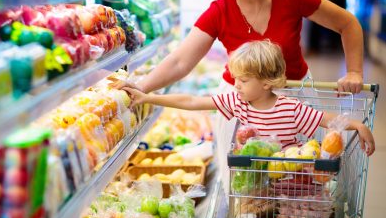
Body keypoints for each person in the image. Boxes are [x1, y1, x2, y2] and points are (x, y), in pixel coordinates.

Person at [114, 0, 365, 197]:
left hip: (293, 100)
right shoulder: (220, 10)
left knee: (298, 181)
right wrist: (140, 86)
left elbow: (347, 23)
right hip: (241, 104)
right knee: (245, 187)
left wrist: (353, 71)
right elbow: (179, 62)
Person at [121, 40, 375, 157]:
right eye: (236, 79)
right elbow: (191, 101)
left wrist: (358, 125)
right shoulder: (237, 101)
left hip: (287, 183)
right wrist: (148, 97)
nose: (236, 84)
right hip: (251, 185)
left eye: (243, 80)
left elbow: (326, 119)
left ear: (266, 82)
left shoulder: (291, 108)